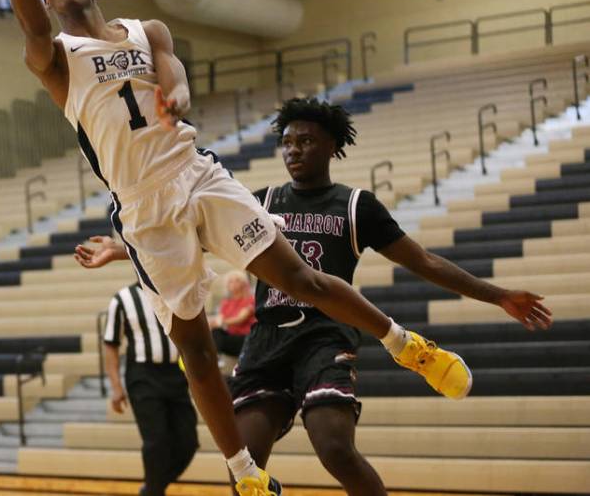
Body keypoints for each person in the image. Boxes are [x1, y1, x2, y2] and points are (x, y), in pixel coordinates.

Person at [0, 0, 470, 496]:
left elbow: (170, 64)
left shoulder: (145, 27)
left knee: (302, 280)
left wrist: (178, 91)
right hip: (143, 207)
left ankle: (405, 344)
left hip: (195, 171)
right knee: (197, 348)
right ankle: (245, 475)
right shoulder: (55, 58)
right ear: (48, 2)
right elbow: (28, 23)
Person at [227, 98, 553, 496]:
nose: (293, 149)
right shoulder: (259, 203)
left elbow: (425, 261)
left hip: (325, 335)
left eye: (306, 141)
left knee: (335, 449)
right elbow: (195, 237)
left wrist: (499, 295)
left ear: (332, 146)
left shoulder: (356, 206)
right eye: (288, 142)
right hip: (267, 340)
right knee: (244, 468)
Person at [104, 280, 198, 496]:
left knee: (188, 442)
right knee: (156, 440)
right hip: (142, 376)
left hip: (176, 375)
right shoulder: (122, 299)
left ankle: (153, 488)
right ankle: (154, 490)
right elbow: (110, 344)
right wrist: (116, 387)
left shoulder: (175, 292)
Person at [210, 272, 256, 359]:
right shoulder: (225, 303)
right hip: (231, 337)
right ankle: (214, 358)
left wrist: (221, 322)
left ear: (244, 283)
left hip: (246, 338)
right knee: (215, 332)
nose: (233, 283)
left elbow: (240, 319)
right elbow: (218, 320)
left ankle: (215, 358)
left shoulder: (250, 300)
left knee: (217, 334)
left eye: (237, 280)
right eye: (231, 281)